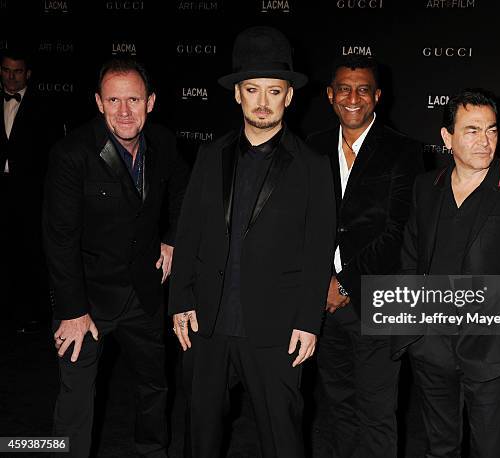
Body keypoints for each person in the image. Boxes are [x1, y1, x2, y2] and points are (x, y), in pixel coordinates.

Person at [168, 26, 336, 458]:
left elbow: (319, 250)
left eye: (274, 91)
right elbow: (187, 234)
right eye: (253, 89)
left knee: (282, 439)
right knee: (199, 438)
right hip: (207, 324)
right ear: (237, 94)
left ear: (289, 97)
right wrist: (180, 300)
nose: (263, 102)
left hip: (277, 329)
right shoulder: (210, 156)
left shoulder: (314, 167)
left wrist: (307, 321)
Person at [392, 89, 500, 457]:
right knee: (440, 447)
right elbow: (410, 258)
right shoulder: (425, 187)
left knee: (491, 449)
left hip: (491, 350)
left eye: (492, 130)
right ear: (447, 137)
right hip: (430, 347)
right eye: (472, 130)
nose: (485, 141)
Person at [43, 57, 187, 457]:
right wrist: (73, 310)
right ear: (98, 102)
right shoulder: (71, 155)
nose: (124, 111)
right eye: (114, 100)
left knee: (154, 388)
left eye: (134, 100)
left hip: (143, 293)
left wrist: (172, 238)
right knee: (75, 402)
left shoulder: (164, 142)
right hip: (86, 299)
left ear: (151, 102)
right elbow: (59, 239)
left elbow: (182, 191)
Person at [307, 55, 423, 458]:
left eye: (362, 89)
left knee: (377, 412)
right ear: (330, 95)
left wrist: (344, 283)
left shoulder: (403, 151)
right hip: (321, 303)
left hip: (375, 299)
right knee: (337, 405)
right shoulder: (312, 147)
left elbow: (398, 232)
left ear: (377, 96)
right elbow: (301, 226)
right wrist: (322, 283)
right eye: (343, 88)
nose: (352, 97)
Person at [0, 48, 62, 333]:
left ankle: (33, 315)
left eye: (17, 71)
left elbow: (52, 154)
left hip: (30, 194)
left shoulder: (44, 108)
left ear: (28, 74)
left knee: (30, 253)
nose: (11, 77)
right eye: (6, 70)